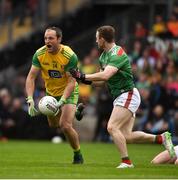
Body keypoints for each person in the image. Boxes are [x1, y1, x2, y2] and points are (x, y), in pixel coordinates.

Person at [70, 25, 175, 168]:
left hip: (127, 94)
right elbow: (101, 82)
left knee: (112, 127)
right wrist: (82, 80)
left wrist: (82, 75)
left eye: (97, 38)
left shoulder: (118, 53)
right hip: (121, 96)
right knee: (126, 136)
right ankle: (161, 138)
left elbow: (106, 74)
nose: (96, 41)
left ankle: (126, 162)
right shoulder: (103, 56)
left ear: (102, 39)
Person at [25, 26, 84, 164]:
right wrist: (30, 99)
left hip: (68, 92)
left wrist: (63, 100)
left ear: (59, 39)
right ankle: (76, 111)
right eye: (45, 38)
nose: (47, 41)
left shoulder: (69, 55)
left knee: (65, 126)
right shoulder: (39, 54)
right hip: (50, 94)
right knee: (53, 125)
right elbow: (31, 77)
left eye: (51, 38)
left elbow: (71, 82)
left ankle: (78, 155)